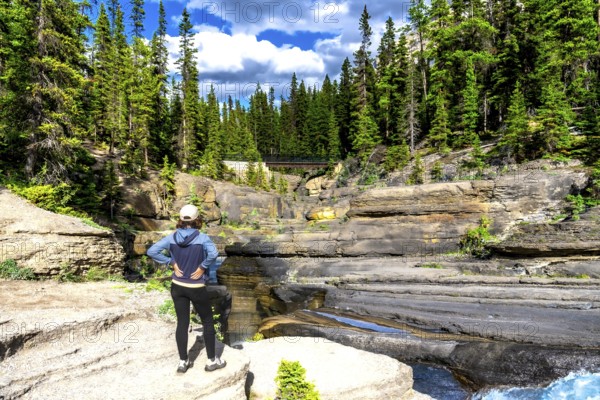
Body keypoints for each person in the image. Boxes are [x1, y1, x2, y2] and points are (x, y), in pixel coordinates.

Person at [147, 204, 227, 373]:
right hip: (196, 287)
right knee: (207, 321)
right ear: (198, 219)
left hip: (178, 286)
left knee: (182, 323)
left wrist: (171, 263)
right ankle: (212, 361)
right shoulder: (203, 238)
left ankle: (183, 362)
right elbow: (213, 255)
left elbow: (152, 251)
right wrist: (202, 267)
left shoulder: (172, 237)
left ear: (181, 220)